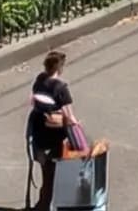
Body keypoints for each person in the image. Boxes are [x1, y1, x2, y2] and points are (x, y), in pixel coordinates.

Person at [27, 50, 77, 211]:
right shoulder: (61, 88)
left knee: (47, 173)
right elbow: (70, 117)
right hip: (55, 138)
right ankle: (46, 205)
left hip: (38, 134)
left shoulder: (39, 81)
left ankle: (43, 203)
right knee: (55, 176)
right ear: (60, 68)